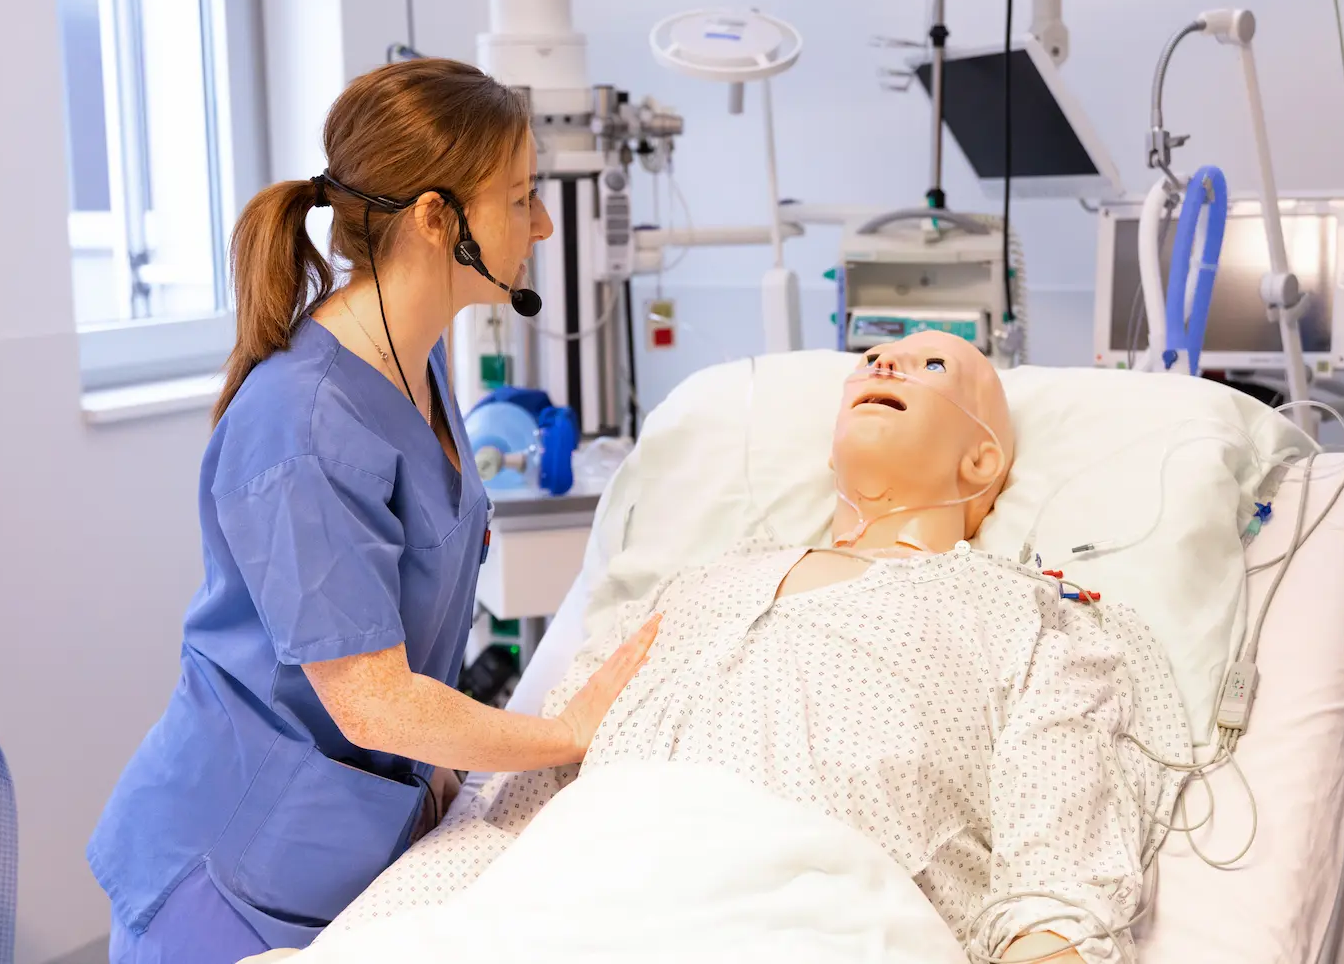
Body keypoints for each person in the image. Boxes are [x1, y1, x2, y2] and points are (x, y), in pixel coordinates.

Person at [318, 331, 1190, 964]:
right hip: (575, 892)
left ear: (979, 465)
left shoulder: (1031, 622)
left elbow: (1056, 888)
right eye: (872, 360)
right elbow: (510, 816)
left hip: (817, 916)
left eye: (933, 367)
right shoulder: (694, 589)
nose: (884, 364)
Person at [87, 58, 660, 964]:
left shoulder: (415, 362)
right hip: (231, 874)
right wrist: (563, 734)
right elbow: (371, 702)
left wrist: (434, 770)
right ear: (438, 220)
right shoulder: (301, 421)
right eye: (519, 199)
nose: (542, 223)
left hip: (341, 848)